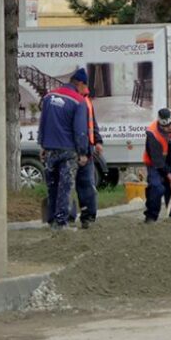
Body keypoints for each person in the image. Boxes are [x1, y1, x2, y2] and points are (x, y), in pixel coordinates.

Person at [38, 73, 90, 231]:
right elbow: (80, 130)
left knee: (52, 185)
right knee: (65, 187)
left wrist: (42, 145)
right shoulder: (78, 101)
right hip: (68, 150)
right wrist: (82, 152)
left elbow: (43, 122)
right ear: (80, 84)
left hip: (50, 150)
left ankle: (52, 220)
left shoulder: (48, 97)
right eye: (84, 87)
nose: (84, 91)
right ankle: (61, 222)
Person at [69, 68, 103, 229]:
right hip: (72, 149)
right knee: (68, 184)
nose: (86, 88)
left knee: (87, 185)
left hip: (87, 148)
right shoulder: (72, 99)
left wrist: (98, 140)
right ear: (80, 84)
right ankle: (68, 218)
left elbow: (92, 122)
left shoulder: (86, 99)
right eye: (85, 85)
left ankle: (88, 217)